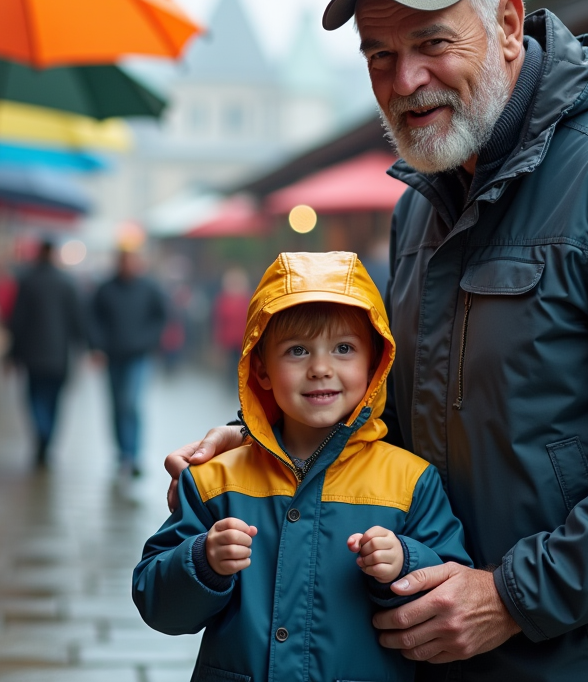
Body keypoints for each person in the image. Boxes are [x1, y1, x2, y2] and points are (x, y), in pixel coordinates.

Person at [164, 0, 588, 681]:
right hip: (445, 650)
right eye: (380, 54)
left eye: (433, 44)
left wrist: (512, 597)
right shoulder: (423, 202)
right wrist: (268, 437)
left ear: (509, 27)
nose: (405, 79)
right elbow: (400, 402)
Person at [134, 251, 470, 681]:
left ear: (375, 363)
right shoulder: (215, 479)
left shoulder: (410, 480)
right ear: (261, 369)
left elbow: (447, 590)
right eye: (297, 351)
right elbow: (158, 606)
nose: (320, 368)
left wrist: (405, 562)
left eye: (344, 348)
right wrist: (202, 561)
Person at [8, 239, 86, 467]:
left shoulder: (27, 281)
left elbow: (17, 319)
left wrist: (13, 354)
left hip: (32, 354)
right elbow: (77, 320)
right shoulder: (67, 283)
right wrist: (83, 347)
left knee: (34, 397)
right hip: (59, 355)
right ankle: (47, 437)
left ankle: (41, 434)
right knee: (54, 400)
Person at [90, 248, 167, 479]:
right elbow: (93, 319)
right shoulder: (106, 289)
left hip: (138, 356)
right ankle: (122, 452)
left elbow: (160, 317)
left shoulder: (149, 289)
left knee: (131, 403)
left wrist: (149, 341)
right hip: (113, 356)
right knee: (117, 405)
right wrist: (97, 346)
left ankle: (133, 455)